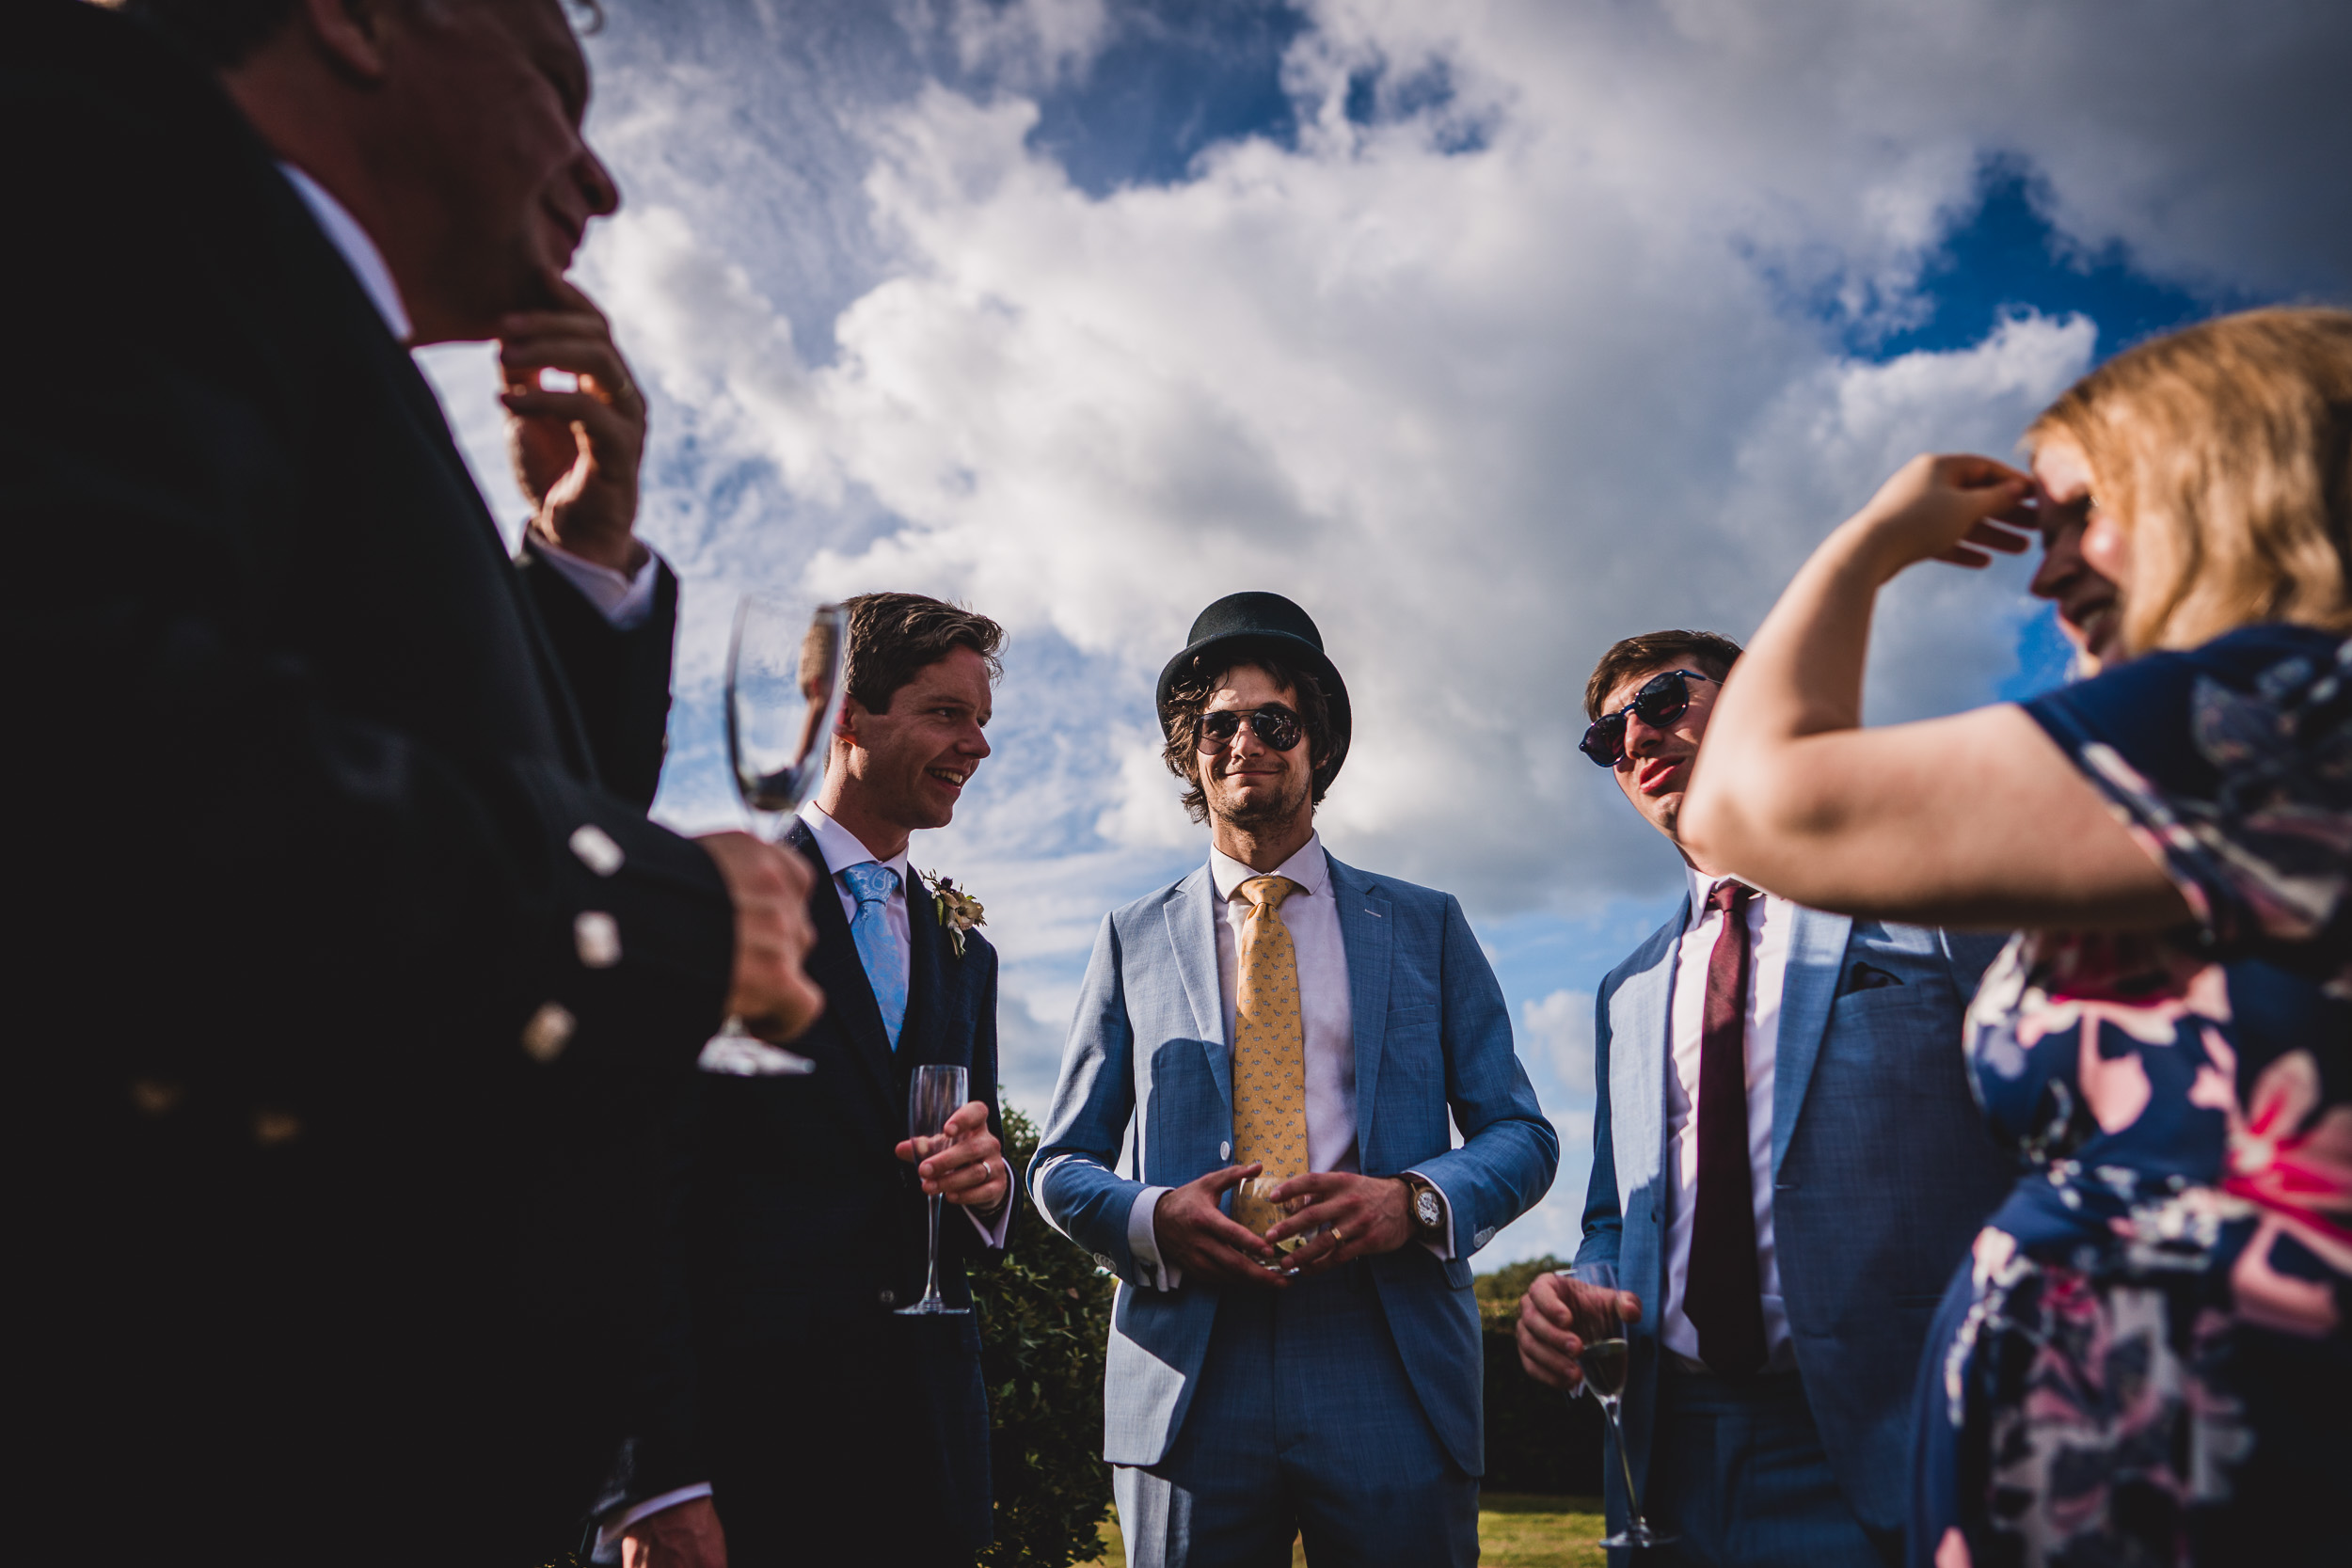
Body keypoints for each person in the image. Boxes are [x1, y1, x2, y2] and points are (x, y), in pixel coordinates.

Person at [7, 1, 821, 1560]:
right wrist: (652, 916)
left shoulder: (272, 296)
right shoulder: (81, 147)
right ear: (360, 21)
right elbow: (83, 751)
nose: (601, 182)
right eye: (556, 89)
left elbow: (435, 763)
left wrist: (582, 558)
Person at [1677, 307, 2352, 1567]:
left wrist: (1872, 541)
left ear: (2232, 478)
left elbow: (1751, 802)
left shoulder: (2280, 713)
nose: (2044, 576)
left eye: (2081, 512)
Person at [1030, 592, 1560, 1567]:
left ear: (1317, 743)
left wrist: (1416, 1199)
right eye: (1217, 723)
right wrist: (1154, 1216)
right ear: (1191, 752)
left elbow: (1521, 1133)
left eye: (1274, 720)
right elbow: (1061, 1162)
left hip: (1389, 1355)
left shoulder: (1428, 924)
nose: (1244, 741)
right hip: (1189, 1367)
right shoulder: (1128, 936)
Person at [1512, 631, 2011, 1566]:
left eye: (1661, 700)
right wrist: (1579, 1289)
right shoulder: (1625, 989)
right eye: (1603, 736)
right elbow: (1614, 1218)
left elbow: (2056, 1131)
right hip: (1676, 1455)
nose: (1633, 738)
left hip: (1906, 1432)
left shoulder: (1928, 889)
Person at [602, 593, 1016, 1568]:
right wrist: (654, 1473)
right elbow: (631, 1205)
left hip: (926, 1464)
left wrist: (990, 1189)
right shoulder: (711, 904)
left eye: (981, 721)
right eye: (946, 713)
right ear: (842, 713)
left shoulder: (969, 955)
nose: (976, 747)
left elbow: (972, 1167)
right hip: (749, 1464)